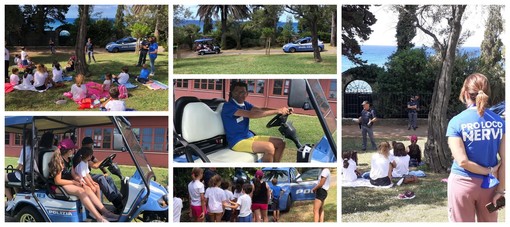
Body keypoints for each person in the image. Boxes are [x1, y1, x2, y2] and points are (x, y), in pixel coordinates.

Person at [446, 73, 505, 222]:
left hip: (462, 183)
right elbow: (506, 160)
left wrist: (488, 171)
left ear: (465, 93)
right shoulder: (500, 122)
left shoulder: (456, 122)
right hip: (490, 186)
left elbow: (462, 162)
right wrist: (500, 190)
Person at [48, 141, 119, 222]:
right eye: (73, 149)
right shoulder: (59, 161)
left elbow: (73, 173)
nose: (74, 151)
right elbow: (57, 181)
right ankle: (99, 218)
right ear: (68, 151)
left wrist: (78, 179)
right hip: (57, 186)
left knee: (87, 188)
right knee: (81, 191)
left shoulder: (69, 159)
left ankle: (105, 213)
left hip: (68, 182)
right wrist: (74, 182)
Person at [221, 81, 290, 162]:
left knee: (281, 143)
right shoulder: (228, 106)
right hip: (237, 142)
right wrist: (277, 111)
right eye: (237, 92)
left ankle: (275, 169)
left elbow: (259, 110)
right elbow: (251, 114)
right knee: (269, 147)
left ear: (247, 94)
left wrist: (280, 110)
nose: (240, 94)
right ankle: (267, 172)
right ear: (232, 93)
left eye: (243, 92)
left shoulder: (245, 104)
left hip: (249, 137)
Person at [75, 137, 123, 212]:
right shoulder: (82, 154)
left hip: (88, 174)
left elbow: (97, 162)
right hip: (82, 176)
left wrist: (105, 172)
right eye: (91, 145)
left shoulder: (89, 152)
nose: (92, 147)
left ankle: (119, 198)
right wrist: (106, 160)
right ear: (86, 145)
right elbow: (94, 165)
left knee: (108, 178)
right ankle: (117, 203)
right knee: (101, 178)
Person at [5, 129, 36, 212]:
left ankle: (11, 201)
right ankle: (17, 199)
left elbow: (20, 166)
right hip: (30, 176)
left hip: (22, 176)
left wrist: (14, 170)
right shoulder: (35, 149)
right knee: (11, 178)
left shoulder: (26, 149)